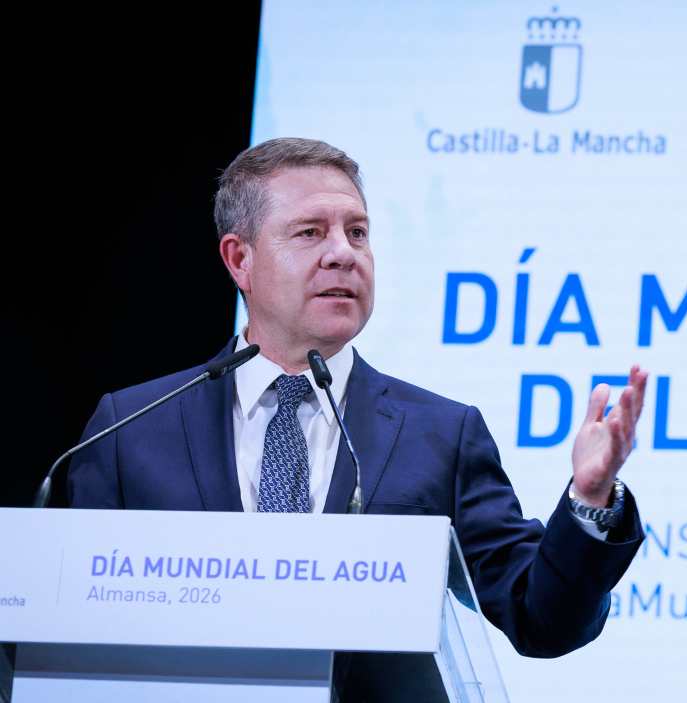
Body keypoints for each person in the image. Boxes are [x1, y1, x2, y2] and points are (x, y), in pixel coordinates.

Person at [68, 138, 647, 691]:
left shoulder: (440, 435)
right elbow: (64, 619)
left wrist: (589, 501)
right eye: (310, 232)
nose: (343, 253)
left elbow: (541, 619)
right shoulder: (132, 429)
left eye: (358, 232)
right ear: (239, 258)